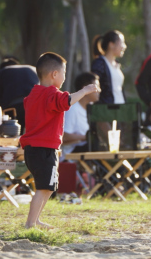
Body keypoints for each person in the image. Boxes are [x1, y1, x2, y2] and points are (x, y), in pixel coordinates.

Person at [20, 53, 100, 228]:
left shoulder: (33, 94)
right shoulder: (52, 94)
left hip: (33, 149)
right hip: (43, 149)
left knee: (47, 187)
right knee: (43, 189)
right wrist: (85, 90)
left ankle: (37, 219)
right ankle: (30, 223)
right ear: (54, 74)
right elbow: (67, 101)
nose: (65, 77)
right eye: (64, 73)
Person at [0, 57, 39, 133]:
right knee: (32, 135)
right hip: (36, 105)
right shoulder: (32, 69)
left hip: (13, 106)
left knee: (13, 133)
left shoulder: (1, 72)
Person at [62, 72, 100, 157]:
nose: (99, 90)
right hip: (70, 156)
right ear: (85, 89)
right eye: (96, 87)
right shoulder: (72, 109)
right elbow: (64, 136)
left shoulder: (92, 109)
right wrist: (88, 137)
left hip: (87, 153)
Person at [91, 30, 127, 104]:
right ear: (111, 44)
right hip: (108, 111)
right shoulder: (99, 64)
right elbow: (93, 88)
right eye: (122, 42)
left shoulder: (117, 65)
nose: (124, 46)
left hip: (120, 110)